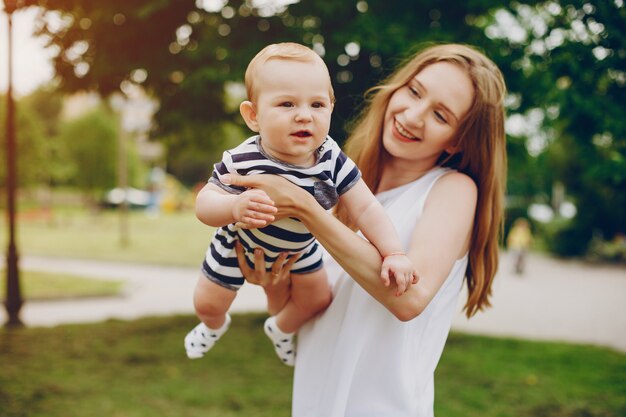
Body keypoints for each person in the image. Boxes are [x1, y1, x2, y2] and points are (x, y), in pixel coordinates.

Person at [225, 43, 507, 416]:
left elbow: (409, 299)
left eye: (440, 114)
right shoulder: (344, 186)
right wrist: (274, 282)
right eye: (414, 91)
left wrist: (305, 208)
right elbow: (302, 320)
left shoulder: (452, 190)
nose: (413, 115)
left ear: (457, 139)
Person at [184, 43, 417, 366]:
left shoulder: (331, 159)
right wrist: (233, 208)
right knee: (208, 303)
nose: (304, 115)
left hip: (300, 249)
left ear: (331, 109)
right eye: (286, 103)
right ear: (253, 116)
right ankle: (212, 326)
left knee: (318, 299)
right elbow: (205, 202)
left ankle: (280, 328)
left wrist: (394, 252)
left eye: (317, 104)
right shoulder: (244, 159)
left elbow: (366, 208)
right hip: (237, 243)